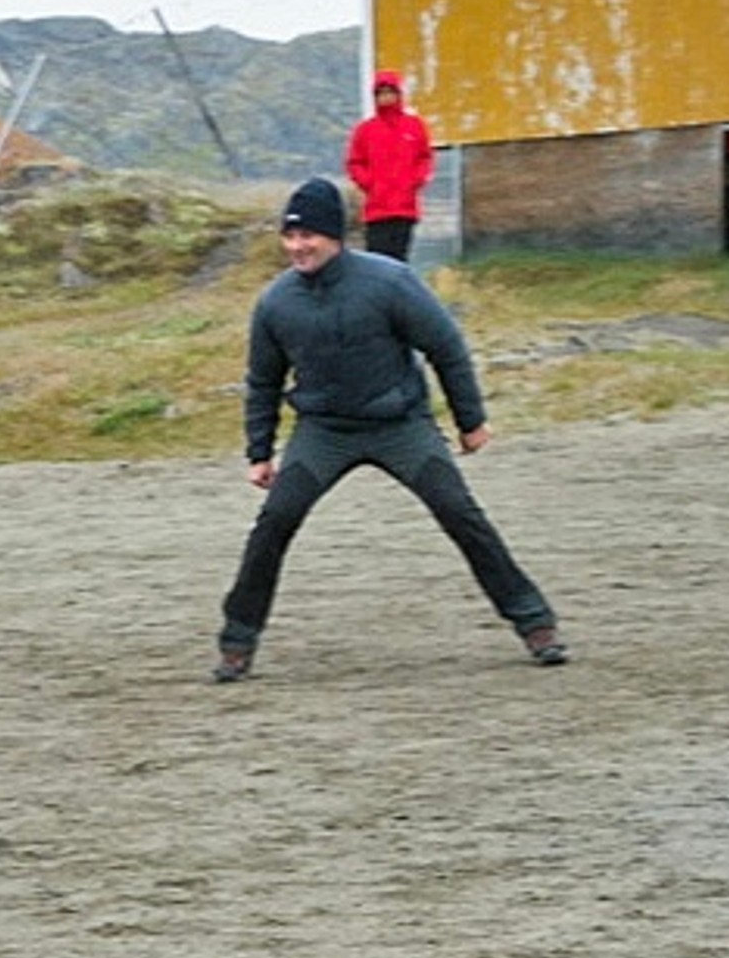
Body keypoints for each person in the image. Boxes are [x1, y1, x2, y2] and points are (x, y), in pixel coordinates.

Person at [214, 177, 567, 682]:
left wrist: (470, 421)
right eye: (289, 237)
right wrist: (259, 452)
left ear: (335, 236)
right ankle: (237, 642)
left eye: (308, 236)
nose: (297, 246)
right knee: (274, 523)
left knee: (460, 513)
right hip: (323, 432)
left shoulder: (389, 282)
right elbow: (263, 381)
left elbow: (445, 346)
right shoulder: (276, 303)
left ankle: (536, 624)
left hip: (399, 425)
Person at [343, 70, 434, 263]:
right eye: (381, 93)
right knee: (376, 261)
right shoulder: (365, 130)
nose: (386, 97)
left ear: (398, 94)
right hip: (377, 210)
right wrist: (369, 183)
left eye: (390, 92)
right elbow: (354, 162)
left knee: (400, 261)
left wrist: (415, 181)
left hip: (405, 208)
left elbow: (424, 157)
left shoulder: (414, 126)